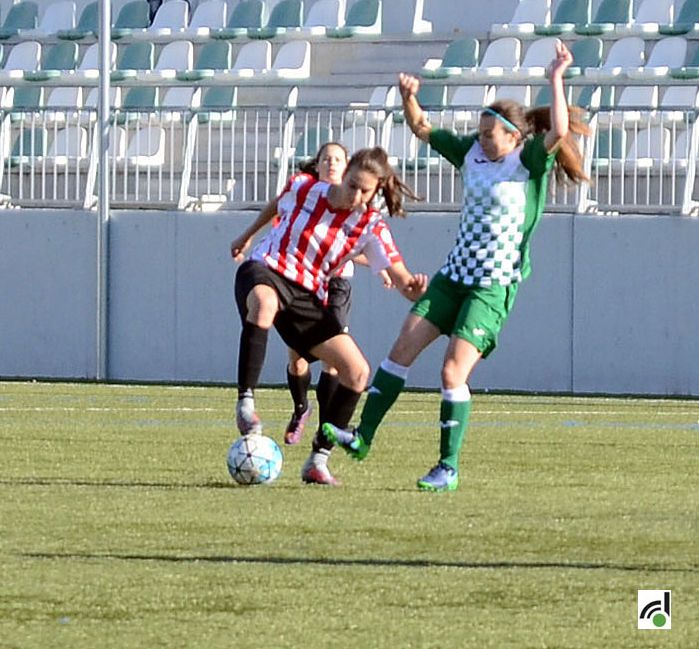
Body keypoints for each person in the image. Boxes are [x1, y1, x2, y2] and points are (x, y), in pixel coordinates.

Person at [324, 40, 590, 492]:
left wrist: (556, 78)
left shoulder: (528, 163)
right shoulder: (469, 152)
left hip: (491, 287)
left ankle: (447, 467)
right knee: (400, 350)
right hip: (453, 278)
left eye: (491, 133)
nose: (482, 138)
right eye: (481, 131)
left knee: (452, 372)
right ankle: (362, 437)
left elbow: (559, 130)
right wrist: (409, 97)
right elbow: (423, 128)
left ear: (514, 137)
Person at [232, 146, 428, 485]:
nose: (355, 195)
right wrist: (246, 235)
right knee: (264, 303)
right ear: (345, 172)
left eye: (365, 191)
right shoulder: (306, 187)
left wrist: (414, 287)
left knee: (357, 371)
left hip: (306, 295)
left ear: (377, 190)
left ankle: (318, 460)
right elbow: (278, 204)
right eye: (352, 185)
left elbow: (402, 280)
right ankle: (245, 404)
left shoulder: (370, 226)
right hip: (266, 269)